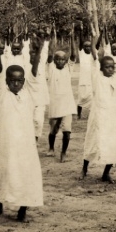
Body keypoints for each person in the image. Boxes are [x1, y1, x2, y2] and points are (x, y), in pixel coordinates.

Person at [0, 65, 43, 223]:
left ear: (24, 81)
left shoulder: (29, 94)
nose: (16, 84)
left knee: (25, 175)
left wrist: (38, 53)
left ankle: (22, 211)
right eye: (12, 81)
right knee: (5, 174)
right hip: (8, 145)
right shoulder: (1, 94)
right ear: (7, 81)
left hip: (26, 145)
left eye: (20, 81)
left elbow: (34, 75)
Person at [80, 32, 116, 183]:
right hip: (99, 117)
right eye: (107, 67)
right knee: (92, 143)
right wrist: (97, 38)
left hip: (115, 117)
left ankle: (106, 173)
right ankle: (84, 168)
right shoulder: (97, 77)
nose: (110, 69)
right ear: (101, 68)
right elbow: (95, 59)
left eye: (112, 67)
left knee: (114, 144)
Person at [46, 26, 77, 162]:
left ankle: (63, 152)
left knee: (67, 130)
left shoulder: (68, 68)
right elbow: (50, 54)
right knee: (53, 130)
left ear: (65, 61)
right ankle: (51, 147)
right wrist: (52, 35)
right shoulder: (51, 69)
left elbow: (74, 55)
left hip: (67, 105)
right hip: (54, 104)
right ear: (54, 61)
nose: (60, 61)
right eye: (57, 59)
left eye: (62, 59)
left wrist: (72, 38)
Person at [23, 32, 49, 142]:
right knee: (29, 122)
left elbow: (42, 57)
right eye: (31, 55)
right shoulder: (29, 68)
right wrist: (38, 49)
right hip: (29, 101)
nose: (34, 57)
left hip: (40, 101)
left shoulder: (41, 66)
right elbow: (35, 66)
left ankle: (35, 140)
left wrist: (42, 45)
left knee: (39, 122)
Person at [76, 24, 94, 120]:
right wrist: (81, 31)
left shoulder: (92, 55)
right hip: (83, 80)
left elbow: (97, 45)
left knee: (91, 98)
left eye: (89, 46)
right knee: (80, 98)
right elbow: (81, 42)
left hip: (90, 80)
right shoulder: (82, 54)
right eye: (85, 46)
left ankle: (91, 114)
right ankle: (79, 114)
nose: (87, 48)